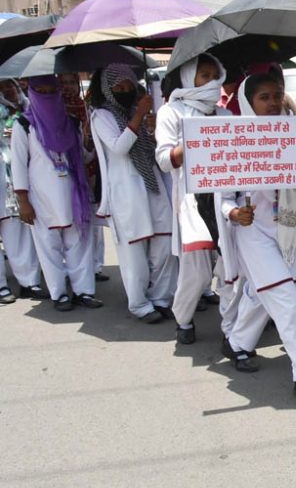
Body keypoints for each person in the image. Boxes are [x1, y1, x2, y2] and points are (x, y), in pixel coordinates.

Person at [221, 73, 296, 405]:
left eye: (277, 95)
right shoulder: (235, 139)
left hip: (290, 225)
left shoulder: (295, 131)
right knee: (285, 301)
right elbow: (224, 197)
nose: (272, 103)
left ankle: (238, 342)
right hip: (253, 232)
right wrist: (235, 214)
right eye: (264, 97)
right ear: (249, 102)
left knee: (265, 296)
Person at [90, 64, 177, 324]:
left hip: (153, 185)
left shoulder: (138, 112)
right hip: (125, 191)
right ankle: (139, 304)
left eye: (129, 85)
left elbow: (153, 149)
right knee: (134, 253)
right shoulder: (101, 116)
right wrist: (139, 115)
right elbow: (119, 147)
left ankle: (161, 298)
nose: (126, 90)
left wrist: (152, 128)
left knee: (164, 243)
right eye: (119, 86)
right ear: (107, 89)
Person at [154, 54, 229, 344]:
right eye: (203, 75)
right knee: (196, 272)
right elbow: (163, 159)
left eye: (214, 75)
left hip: (224, 199)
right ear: (189, 78)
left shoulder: (224, 115)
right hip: (193, 201)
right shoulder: (171, 112)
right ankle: (183, 319)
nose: (210, 81)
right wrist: (193, 142)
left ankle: (233, 327)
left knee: (229, 266)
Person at [10, 76, 101, 311]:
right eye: (41, 91)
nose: (47, 95)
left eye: (51, 90)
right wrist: (23, 202)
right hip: (42, 197)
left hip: (73, 194)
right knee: (49, 245)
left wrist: (90, 140)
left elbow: (83, 157)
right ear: (31, 93)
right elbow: (19, 164)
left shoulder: (71, 122)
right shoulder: (24, 125)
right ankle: (59, 294)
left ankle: (84, 292)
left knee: (79, 242)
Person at [59, 71, 108, 283]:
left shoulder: (86, 108)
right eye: (64, 83)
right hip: (67, 170)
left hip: (91, 168)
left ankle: (95, 266)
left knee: (94, 220)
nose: (69, 87)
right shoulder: (54, 112)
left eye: (72, 82)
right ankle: (71, 268)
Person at [0, 78, 44, 304]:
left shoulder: (29, 110)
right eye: (3, 86)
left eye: (12, 85)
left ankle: (29, 282)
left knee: (16, 231)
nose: (9, 90)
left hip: (15, 178)